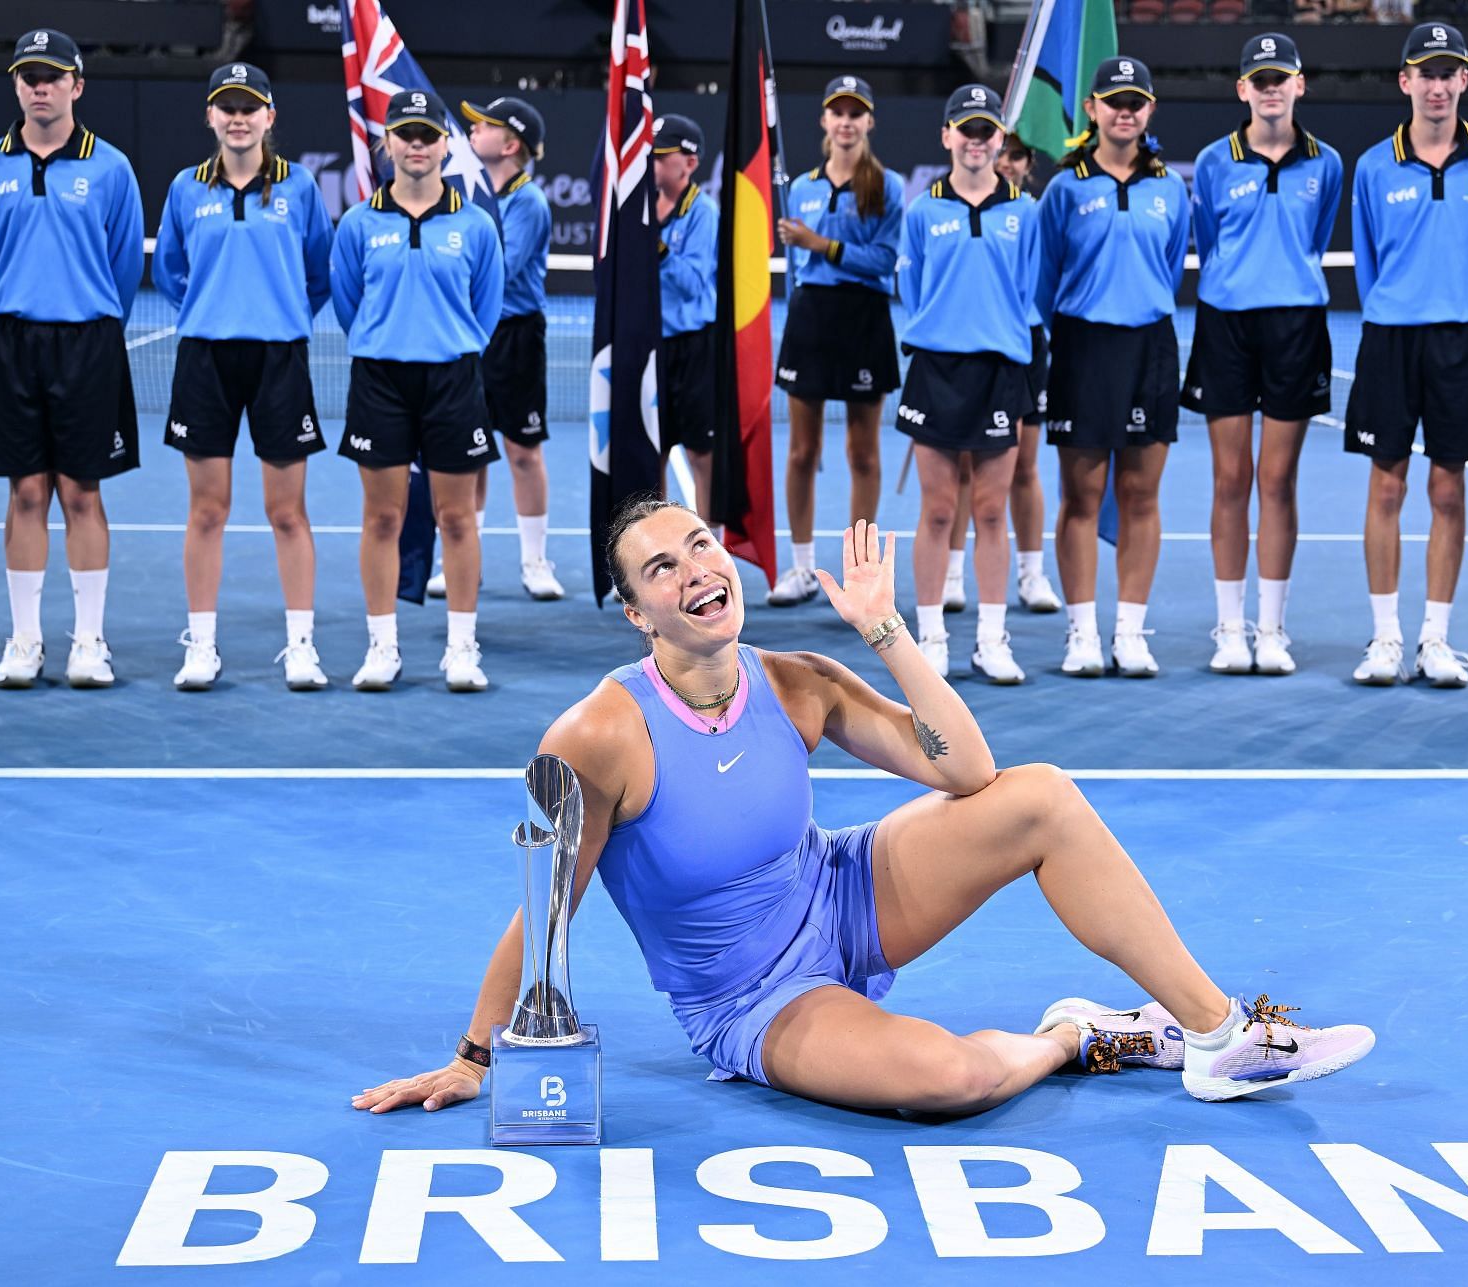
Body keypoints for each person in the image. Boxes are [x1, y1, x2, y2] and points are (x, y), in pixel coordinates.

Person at [352, 502, 1376, 1117]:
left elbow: (969, 772)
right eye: (661, 567)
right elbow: (545, 912)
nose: (697, 569)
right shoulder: (594, 739)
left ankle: (1216, 1035)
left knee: (1043, 798)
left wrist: (884, 629)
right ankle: (1078, 1036)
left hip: (844, 893)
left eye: (702, 545)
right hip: (752, 999)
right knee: (949, 1082)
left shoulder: (795, 680)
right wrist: (475, 1057)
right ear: (636, 613)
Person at [0, 29, 144, 689]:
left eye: (52, 76)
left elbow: (125, 267)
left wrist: (85, 310)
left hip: (88, 342)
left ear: (77, 85)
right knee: (26, 490)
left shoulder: (111, 168)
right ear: (16, 86)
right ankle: (25, 640)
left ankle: (88, 641)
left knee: (81, 491)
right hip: (11, 342)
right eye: (29, 76)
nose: (40, 87)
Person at [153, 63, 333, 692]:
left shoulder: (301, 187)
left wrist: (276, 314)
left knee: (288, 511)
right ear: (210, 116)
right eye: (226, 106)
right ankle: (200, 645)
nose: (237, 117)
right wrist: (216, 310)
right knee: (207, 510)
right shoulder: (185, 188)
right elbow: (172, 272)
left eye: (249, 107)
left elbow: (318, 275)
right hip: (204, 359)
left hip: (279, 360)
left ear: (269, 117)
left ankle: (302, 646)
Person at [1345, 25, 1468, 688]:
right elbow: (1366, 262)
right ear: (1405, 81)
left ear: (1463, 82)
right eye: (1427, 72)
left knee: (1449, 488)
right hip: (1391, 339)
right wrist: (1396, 308)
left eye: (1450, 73)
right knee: (1386, 485)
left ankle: (1434, 638)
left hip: (1461, 344)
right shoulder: (1372, 166)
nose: (1438, 85)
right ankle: (1386, 635)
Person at [330, 89, 502, 692]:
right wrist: (390, 340)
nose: (417, 145)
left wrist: (442, 343)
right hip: (379, 381)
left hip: (453, 379)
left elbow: (487, 308)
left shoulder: (476, 225)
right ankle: (383, 647)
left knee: (457, 518)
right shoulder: (357, 223)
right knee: (383, 517)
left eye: (428, 135)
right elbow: (349, 304)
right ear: (387, 144)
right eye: (406, 134)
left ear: (445, 145)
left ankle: (461, 649)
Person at [1183, 34, 1344, 677]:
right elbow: (1208, 240)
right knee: (1231, 479)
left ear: (1299, 85)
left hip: (1297, 326)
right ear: (1242, 89)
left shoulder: (1326, 164)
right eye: (1260, 78)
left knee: (1277, 481)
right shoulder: (1214, 162)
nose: (1271, 87)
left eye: (1282, 78)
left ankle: (1271, 629)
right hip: (1226, 325)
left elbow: (1316, 234)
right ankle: (1229, 628)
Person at [1037, 57, 1190, 678]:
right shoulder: (1064, 188)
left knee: (1140, 495)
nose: (1124, 111)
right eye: (1113, 100)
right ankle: (1082, 635)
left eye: (1136, 101)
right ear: (1094, 109)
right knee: (1082, 495)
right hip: (1081, 348)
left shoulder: (1170, 189)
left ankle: (1129, 632)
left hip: (1150, 348)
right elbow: (1044, 281)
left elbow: (1172, 268)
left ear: (1149, 111)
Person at [896, 85, 1040, 684]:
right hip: (936, 370)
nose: (977, 141)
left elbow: (1030, 292)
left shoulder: (1023, 212)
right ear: (948, 137)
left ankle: (990, 639)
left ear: (999, 140)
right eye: (966, 130)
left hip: (1000, 372)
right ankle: (931, 638)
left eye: (987, 131)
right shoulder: (923, 211)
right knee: (936, 510)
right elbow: (912, 290)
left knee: (989, 511)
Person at [771, 75, 904, 606]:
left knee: (863, 454)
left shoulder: (886, 186)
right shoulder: (800, 187)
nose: (846, 121)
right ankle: (801, 569)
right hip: (811, 317)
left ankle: (860, 572)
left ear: (869, 123)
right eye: (837, 112)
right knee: (803, 451)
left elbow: (884, 260)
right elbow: (799, 267)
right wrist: (809, 250)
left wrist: (819, 243)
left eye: (856, 113)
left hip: (864, 318)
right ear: (825, 121)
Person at [434, 94, 564, 603]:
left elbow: (497, 269)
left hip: (515, 335)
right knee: (471, 453)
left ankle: (534, 561)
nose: (471, 133)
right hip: (471, 333)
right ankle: (466, 559)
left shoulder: (527, 201)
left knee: (522, 451)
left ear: (510, 145)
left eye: (483, 127)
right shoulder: (464, 193)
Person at [942, 132, 1061, 619]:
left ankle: (1032, 574)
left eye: (1017, 155)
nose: (1007, 162)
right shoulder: (955, 208)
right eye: (1003, 151)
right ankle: (952, 574)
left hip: (1025, 347)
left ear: (1027, 163)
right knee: (967, 468)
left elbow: (1046, 281)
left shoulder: (1029, 214)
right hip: (976, 346)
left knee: (1025, 467)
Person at [649, 114, 722, 523]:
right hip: (649, 346)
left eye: (662, 156)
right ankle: (656, 543)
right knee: (651, 449)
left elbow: (693, 282)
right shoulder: (638, 208)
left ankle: (711, 541)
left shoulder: (703, 212)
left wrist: (656, 249)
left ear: (689, 163)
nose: (653, 164)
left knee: (701, 451)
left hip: (694, 347)